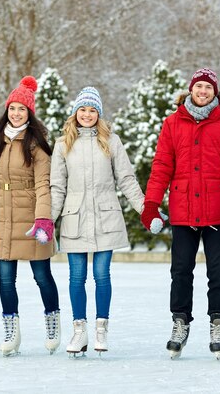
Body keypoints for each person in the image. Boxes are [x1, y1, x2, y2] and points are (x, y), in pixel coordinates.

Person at [140, 68, 220, 360]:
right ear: (191, 90)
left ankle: (218, 322)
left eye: (208, 88)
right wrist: (151, 204)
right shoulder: (172, 123)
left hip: (217, 212)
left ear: (216, 92)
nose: (203, 92)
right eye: (199, 87)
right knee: (180, 271)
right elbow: (162, 166)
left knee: (218, 272)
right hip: (182, 210)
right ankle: (180, 321)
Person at [51, 87, 144, 356]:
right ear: (75, 113)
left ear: (99, 114)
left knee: (102, 275)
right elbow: (57, 187)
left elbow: (126, 179)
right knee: (76, 276)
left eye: (92, 110)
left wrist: (144, 208)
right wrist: (48, 220)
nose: (87, 114)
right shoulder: (62, 144)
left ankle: (101, 327)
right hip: (74, 217)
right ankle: (79, 331)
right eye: (83, 109)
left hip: (106, 216)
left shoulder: (111, 141)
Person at [0, 76, 60, 356]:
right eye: (13, 108)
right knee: (5, 279)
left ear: (30, 113)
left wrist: (43, 219)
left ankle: (52, 321)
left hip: (30, 216)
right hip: (3, 215)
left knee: (42, 275)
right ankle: (11, 332)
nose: (16, 113)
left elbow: (44, 184)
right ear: (7, 110)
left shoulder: (36, 145)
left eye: (22, 109)